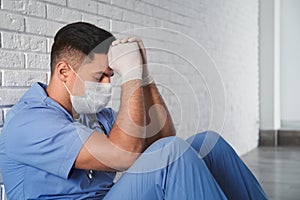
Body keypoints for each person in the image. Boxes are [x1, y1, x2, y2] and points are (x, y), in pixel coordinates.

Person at [0, 22, 267, 200]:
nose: (108, 84)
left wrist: (143, 74)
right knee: (172, 154)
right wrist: (129, 74)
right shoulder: (30, 121)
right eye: (100, 76)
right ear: (64, 72)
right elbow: (122, 156)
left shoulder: (95, 115)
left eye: (111, 75)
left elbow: (162, 139)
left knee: (209, 144)